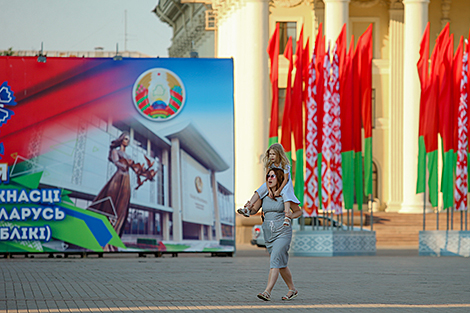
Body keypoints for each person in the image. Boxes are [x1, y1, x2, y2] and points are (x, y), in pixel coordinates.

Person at [238, 168, 302, 301]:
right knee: (281, 264)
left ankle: (267, 292)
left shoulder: (285, 195)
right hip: (269, 234)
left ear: (279, 178)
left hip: (283, 233)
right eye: (268, 176)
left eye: (273, 176)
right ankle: (292, 289)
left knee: (274, 261)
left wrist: (290, 215)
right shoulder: (264, 195)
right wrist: (246, 211)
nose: (269, 178)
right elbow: (254, 210)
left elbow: (298, 212)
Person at [88, 131, 156, 239]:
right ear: (121, 140)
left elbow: (137, 170)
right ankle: (102, 232)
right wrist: (123, 165)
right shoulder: (116, 151)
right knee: (111, 204)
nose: (127, 141)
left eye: (128, 140)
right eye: (125, 139)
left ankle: (114, 234)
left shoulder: (129, 156)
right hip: (118, 178)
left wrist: (147, 174)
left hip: (126, 180)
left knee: (122, 207)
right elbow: (116, 162)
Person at [238, 143, 300, 226]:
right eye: (270, 154)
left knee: (286, 195)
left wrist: (278, 190)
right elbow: (267, 178)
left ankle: (287, 217)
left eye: (273, 154)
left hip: (284, 185)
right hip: (268, 229)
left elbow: (286, 179)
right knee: (260, 190)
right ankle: (248, 207)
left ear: (278, 154)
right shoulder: (270, 164)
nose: (271, 156)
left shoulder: (284, 164)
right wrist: (269, 190)